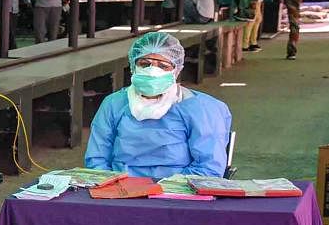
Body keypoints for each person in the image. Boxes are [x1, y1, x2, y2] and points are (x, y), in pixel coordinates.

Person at [85, 32, 231, 178]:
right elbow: (97, 159)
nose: (152, 71)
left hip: (179, 194)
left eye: (163, 66)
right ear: (133, 66)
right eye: (144, 64)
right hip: (121, 191)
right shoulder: (114, 104)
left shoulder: (201, 108)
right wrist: (113, 187)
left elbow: (208, 168)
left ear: (176, 70)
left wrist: (166, 190)